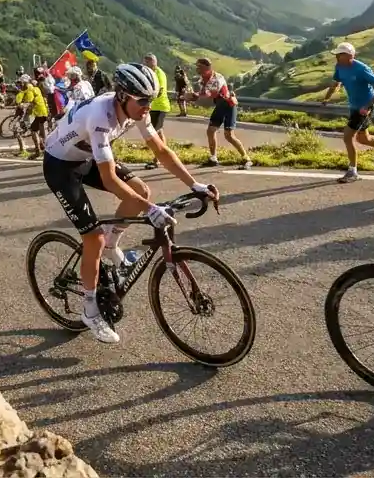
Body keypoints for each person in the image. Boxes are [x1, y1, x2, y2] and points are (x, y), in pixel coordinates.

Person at [41, 63, 219, 344]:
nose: (148, 106)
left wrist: (195, 185)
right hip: (60, 166)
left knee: (140, 190)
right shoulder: (101, 116)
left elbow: (160, 150)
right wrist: (151, 211)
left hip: (84, 157)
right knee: (93, 238)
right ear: (122, 95)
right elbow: (110, 180)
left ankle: (113, 248)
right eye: (143, 100)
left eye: (152, 98)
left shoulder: (136, 109)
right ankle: (89, 309)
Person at [320, 42, 374, 183]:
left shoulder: (362, 69)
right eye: (336, 54)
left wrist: (368, 106)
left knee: (348, 136)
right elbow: (336, 84)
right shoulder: (339, 67)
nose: (336, 56)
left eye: (339, 54)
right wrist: (327, 98)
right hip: (354, 105)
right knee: (363, 138)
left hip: (365, 106)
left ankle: (352, 171)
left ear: (349, 56)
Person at [186, 58, 252, 169]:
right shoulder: (203, 78)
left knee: (229, 136)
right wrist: (192, 96)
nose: (197, 69)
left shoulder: (217, 78)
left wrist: (194, 96)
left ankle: (247, 159)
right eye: (197, 66)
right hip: (220, 105)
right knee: (210, 131)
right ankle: (213, 158)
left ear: (206, 67)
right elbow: (203, 93)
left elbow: (211, 93)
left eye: (199, 67)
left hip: (228, 105)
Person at [141, 54, 170, 169]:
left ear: (153, 62)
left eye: (147, 63)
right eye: (144, 63)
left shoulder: (159, 73)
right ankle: (163, 157)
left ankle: (157, 160)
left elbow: (160, 91)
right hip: (154, 107)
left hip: (160, 106)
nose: (145, 65)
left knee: (154, 133)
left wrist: (147, 99)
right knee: (159, 132)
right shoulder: (149, 73)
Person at [14, 75, 49, 157]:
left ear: (25, 82)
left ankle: (38, 150)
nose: (21, 84)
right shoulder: (35, 88)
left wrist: (21, 105)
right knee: (39, 131)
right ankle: (42, 147)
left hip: (38, 113)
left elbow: (28, 102)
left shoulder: (30, 89)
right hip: (42, 112)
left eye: (22, 82)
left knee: (33, 131)